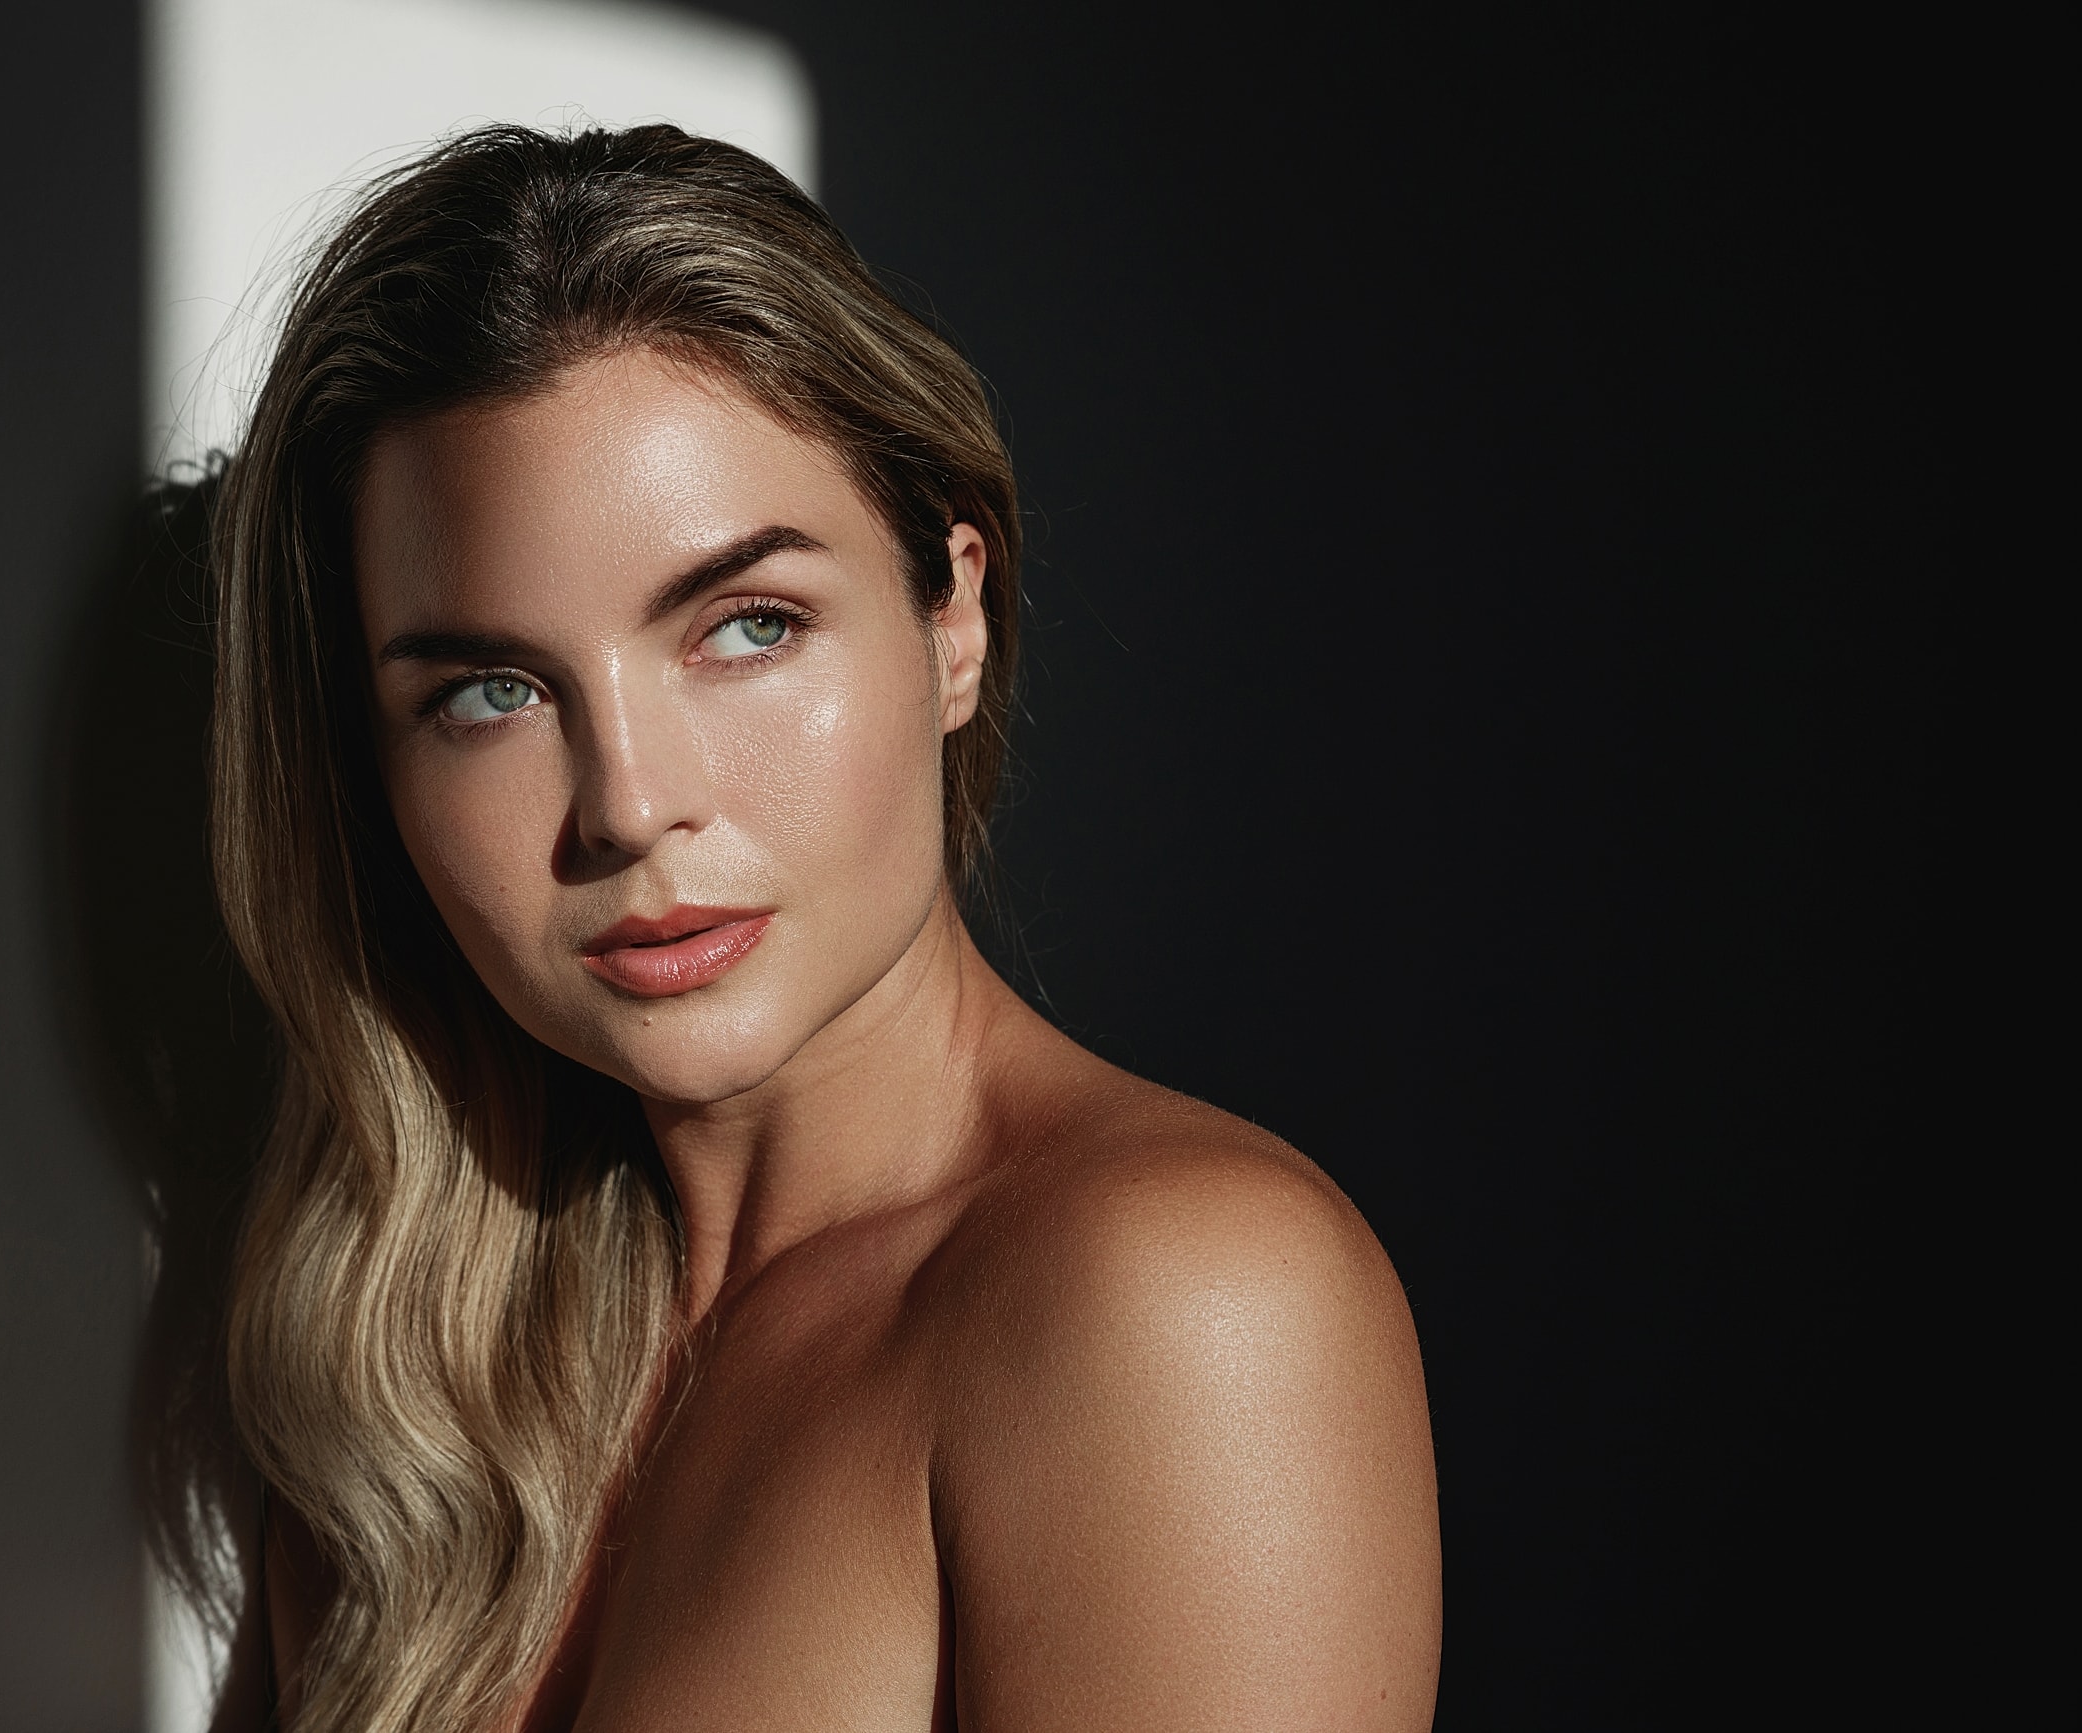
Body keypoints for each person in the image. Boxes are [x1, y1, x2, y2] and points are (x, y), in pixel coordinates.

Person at [157, 123, 1439, 1732]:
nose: (628, 804)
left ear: (950, 615)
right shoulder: (414, 1391)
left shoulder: (1173, 1302)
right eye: (491, 691)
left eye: (745, 627)